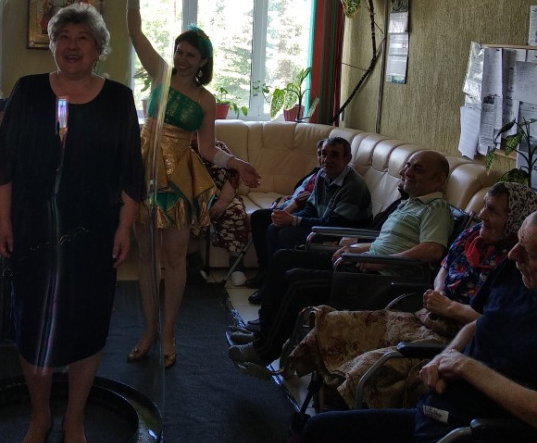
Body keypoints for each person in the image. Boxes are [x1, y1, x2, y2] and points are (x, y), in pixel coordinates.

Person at [275, 210, 537, 443]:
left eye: (529, 251)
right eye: (519, 243)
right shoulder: (516, 275)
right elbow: (479, 322)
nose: (513, 254)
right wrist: (444, 356)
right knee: (320, 431)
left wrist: (466, 367)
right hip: (438, 415)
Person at [0, 3, 145, 443]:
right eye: (64, 37)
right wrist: (4, 221)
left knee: (87, 322)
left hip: (93, 232)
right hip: (34, 230)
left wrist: (124, 226)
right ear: (53, 45)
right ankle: (40, 417)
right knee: (33, 322)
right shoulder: (28, 91)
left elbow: (130, 169)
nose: (72, 46)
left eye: (83, 39)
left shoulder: (118, 99)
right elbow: (3, 161)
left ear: (98, 49)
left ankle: (74, 419)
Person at [287, 181, 537, 408]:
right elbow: (445, 264)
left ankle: (333, 419)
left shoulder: (518, 268)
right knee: (332, 324)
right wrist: (439, 291)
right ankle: (312, 405)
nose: (481, 215)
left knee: (363, 366)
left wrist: (448, 308)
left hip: (448, 331)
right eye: (483, 206)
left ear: (515, 219)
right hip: (429, 312)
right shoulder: (474, 235)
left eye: (492, 211)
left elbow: (489, 322)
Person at [122, 0, 260, 368]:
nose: (182, 58)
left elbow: (207, 149)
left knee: (175, 259)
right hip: (144, 169)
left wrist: (238, 162)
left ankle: (168, 333)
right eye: (179, 51)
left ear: (202, 62)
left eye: (190, 55)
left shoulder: (204, 99)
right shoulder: (160, 74)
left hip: (178, 180)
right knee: (146, 258)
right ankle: (148, 330)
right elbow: (134, 31)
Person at [229, 149, 452, 374]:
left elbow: (433, 249)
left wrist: (383, 262)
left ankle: (264, 351)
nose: (407, 172)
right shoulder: (409, 203)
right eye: (408, 165)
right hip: (361, 265)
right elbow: (385, 242)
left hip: (381, 281)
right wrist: (354, 249)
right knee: (283, 259)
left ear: (439, 179)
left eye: (418, 169)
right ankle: (263, 334)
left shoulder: (436, 207)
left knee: (297, 281)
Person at [246, 138, 327, 297]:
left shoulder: (327, 178)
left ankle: (271, 278)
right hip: (293, 206)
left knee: (270, 224)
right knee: (258, 217)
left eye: (327, 155)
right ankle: (265, 270)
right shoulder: (317, 173)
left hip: (302, 212)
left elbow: (309, 198)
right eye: (320, 154)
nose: (323, 159)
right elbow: (302, 191)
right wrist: (292, 197)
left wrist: (291, 207)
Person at [189, 136, 249, 270]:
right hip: (192, 198)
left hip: (222, 195)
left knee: (235, 212)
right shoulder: (182, 149)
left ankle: (236, 266)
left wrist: (223, 201)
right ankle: (194, 264)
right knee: (185, 216)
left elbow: (234, 175)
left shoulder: (219, 147)